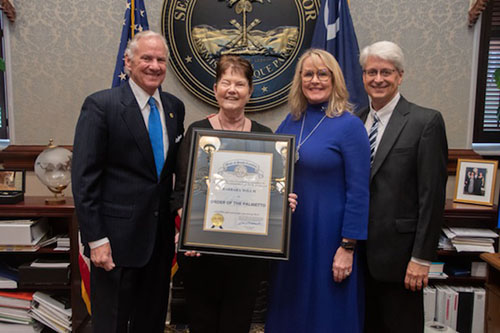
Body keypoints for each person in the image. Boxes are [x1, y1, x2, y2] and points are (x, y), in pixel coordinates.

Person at [171, 55, 296, 333]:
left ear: (250, 92)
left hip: (246, 258)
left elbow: (273, 189)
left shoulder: (266, 136)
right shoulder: (197, 132)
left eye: (239, 84)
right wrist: (190, 231)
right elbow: (179, 194)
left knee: (236, 326)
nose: (232, 89)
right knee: (203, 326)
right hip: (200, 255)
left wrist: (282, 200)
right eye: (225, 82)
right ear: (215, 88)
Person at [72, 31, 185, 332]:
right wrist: (96, 240)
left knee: (151, 323)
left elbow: (173, 174)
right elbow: (85, 181)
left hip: (159, 245)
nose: (154, 65)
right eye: (146, 58)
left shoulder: (174, 108)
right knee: (112, 324)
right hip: (115, 244)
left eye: (161, 59)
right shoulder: (101, 106)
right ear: (128, 61)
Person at [265, 49, 371, 332]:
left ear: (334, 79)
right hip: (292, 237)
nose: (315, 80)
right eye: (308, 74)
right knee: (291, 310)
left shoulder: (350, 126)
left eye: (322, 74)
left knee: (327, 314)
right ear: (299, 80)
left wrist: (348, 247)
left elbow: (359, 192)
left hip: (329, 238)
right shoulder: (290, 121)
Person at [357, 41, 448, 333]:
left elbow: (431, 197)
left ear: (400, 76)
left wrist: (421, 258)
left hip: (400, 260)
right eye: (372, 71)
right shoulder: (354, 121)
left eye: (386, 71)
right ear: (363, 76)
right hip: (357, 256)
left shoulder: (425, 122)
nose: (378, 79)